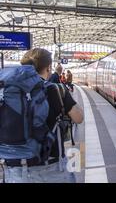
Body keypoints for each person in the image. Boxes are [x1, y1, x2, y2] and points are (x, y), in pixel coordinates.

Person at [0, 48, 83, 183]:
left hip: (14, 170)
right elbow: (79, 118)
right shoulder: (55, 89)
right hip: (52, 168)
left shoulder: (6, 92)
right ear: (49, 68)